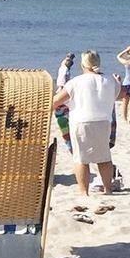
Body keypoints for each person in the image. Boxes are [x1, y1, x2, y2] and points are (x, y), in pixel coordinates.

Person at [52, 51, 120, 202]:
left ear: (83, 65)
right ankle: (108, 189)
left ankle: (84, 192)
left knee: (81, 158)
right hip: (104, 121)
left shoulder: (76, 82)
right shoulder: (110, 80)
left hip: (81, 121)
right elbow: (118, 95)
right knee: (104, 157)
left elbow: (56, 101)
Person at [52, 53, 76, 154]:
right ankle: (72, 149)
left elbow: (62, 86)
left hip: (62, 103)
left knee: (65, 130)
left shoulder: (64, 70)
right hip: (64, 103)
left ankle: (72, 149)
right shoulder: (64, 70)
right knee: (66, 130)